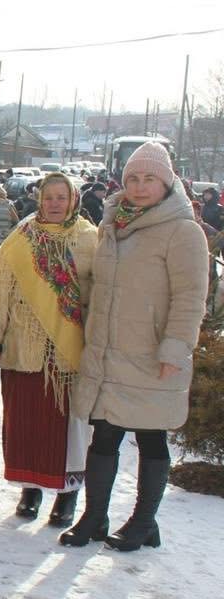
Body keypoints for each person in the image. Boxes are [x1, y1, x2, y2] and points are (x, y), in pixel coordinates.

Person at [61, 142, 208, 551]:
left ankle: (144, 521)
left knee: (150, 437)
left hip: (152, 355)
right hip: (109, 353)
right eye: (133, 179)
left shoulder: (183, 231)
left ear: (167, 183)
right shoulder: (114, 225)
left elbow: (190, 298)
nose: (140, 187)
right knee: (104, 436)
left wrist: (175, 349)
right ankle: (94, 517)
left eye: (149, 179)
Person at [0, 173, 98, 526]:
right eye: (49, 197)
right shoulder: (21, 238)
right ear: (39, 199)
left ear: (73, 200)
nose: (55, 203)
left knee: (70, 426)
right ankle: (30, 490)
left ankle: (67, 494)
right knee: (26, 424)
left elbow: (102, 294)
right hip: (24, 347)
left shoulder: (90, 239)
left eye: (62, 197)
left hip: (71, 351)